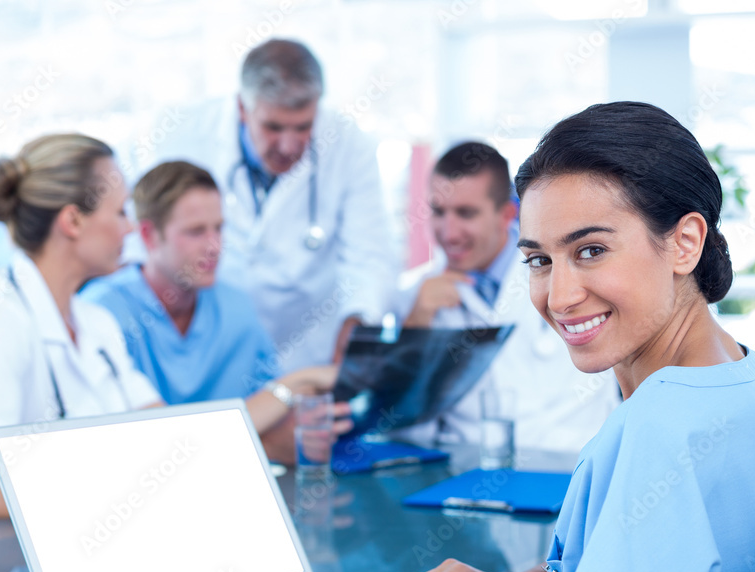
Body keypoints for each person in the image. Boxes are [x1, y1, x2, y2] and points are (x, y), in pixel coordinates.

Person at [376, 102, 755, 572]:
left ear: (685, 242)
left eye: (591, 251)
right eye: (539, 259)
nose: (559, 297)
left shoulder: (654, 432)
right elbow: (674, 566)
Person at [0, 134, 163, 522]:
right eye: (121, 212)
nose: (131, 229)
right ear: (72, 220)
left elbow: (161, 430)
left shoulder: (97, 323)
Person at [145, 38, 400, 374]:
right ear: (241, 108)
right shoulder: (181, 134)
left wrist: (359, 319)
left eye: (303, 127)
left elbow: (369, 257)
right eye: (273, 127)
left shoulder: (349, 145)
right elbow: (148, 246)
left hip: (310, 353)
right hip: (210, 348)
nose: (288, 145)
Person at [82, 160, 348, 463]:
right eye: (196, 232)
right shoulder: (102, 313)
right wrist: (267, 438)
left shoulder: (236, 308)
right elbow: (133, 449)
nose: (214, 246)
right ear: (149, 235)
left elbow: (276, 415)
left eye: (219, 229)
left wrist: (304, 429)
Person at [397, 141, 618, 455]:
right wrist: (416, 326)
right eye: (438, 211)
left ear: (507, 214)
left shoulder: (572, 273)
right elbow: (403, 427)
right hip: (466, 475)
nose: (449, 231)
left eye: (465, 213)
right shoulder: (417, 295)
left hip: (570, 468)